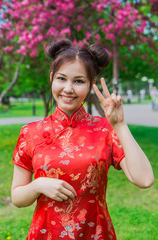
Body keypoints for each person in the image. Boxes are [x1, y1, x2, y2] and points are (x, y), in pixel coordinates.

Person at [11, 38, 154, 240]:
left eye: (78, 81)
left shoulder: (105, 129)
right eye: (61, 78)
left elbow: (145, 179)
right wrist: (38, 185)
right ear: (51, 78)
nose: (69, 89)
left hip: (95, 233)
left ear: (90, 85)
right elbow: (17, 198)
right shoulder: (30, 132)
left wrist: (120, 125)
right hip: (46, 234)